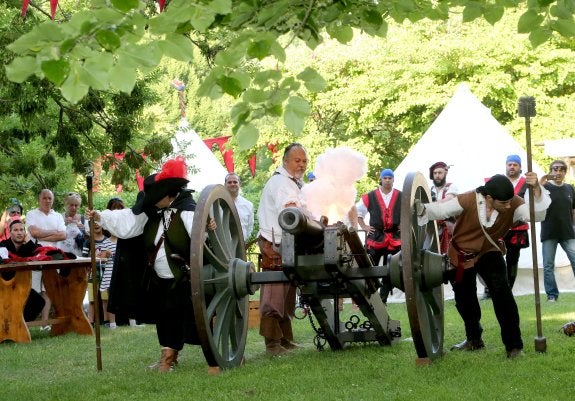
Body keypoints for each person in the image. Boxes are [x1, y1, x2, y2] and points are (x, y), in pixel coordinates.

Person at [86, 157, 214, 372]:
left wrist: (208, 226)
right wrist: (100, 216)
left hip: (185, 277)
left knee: (187, 317)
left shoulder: (189, 211)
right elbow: (127, 222)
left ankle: (192, 358)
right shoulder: (151, 212)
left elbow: (202, 239)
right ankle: (167, 357)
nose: (152, 199)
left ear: (168, 194)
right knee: (164, 317)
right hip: (158, 276)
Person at [416, 172, 550, 358]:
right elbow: (440, 211)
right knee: (464, 299)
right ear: (489, 198)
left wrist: (535, 188)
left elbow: (538, 214)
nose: (508, 206)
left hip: (489, 251)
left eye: (510, 201)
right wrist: (418, 208)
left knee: (503, 296)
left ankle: (514, 346)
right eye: (504, 203)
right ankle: (474, 339)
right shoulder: (468, 199)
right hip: (461, 255)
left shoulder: (514, 203)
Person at [257, 142, 308, 356]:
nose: (302, 165)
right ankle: (272, 345)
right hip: (275, 246)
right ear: (285, 161)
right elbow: (289, 211)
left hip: (288, 244)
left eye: (304, 161)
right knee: (274, 296)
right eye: (297, 160)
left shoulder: (295, 183)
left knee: (287, 295)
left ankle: (285, 339)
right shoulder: (281, 183)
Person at [482, 155, 529, 300]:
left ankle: (509, 289)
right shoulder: (497, 182)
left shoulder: (526, 184)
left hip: (518, 229)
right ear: (506, 166)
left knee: (512, 260)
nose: (512, 167)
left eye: (515, 164)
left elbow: (529, 205)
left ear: (520, 167)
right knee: (492, 258)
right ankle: (489, 290)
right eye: (510, 164)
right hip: (498, 227)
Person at [356, 168, 401, 304]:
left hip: (394, 238)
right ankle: (370, 296)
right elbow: (358, 211)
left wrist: (402, 225)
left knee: (390, 269)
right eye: (385, 178)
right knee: (371, 267)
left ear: (393, 179)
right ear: (381, 179)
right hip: (376, 237)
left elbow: (408, 212)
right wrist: (364, 226)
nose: (387, 180)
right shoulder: (370, 196)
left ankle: (383, 299)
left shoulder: (400, 195)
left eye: (390, 178)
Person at [26, 189, 66, 331]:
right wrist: (53, 232)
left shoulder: (58, 216)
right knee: (34, 289)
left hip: (54, 256)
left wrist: (41, 235)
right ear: (39, 199)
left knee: (48, 289)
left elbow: (63, 235)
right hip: (36, 256)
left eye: (50, 198)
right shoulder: (31, 214)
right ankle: (27, 322)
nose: (47, 201)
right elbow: (34, 233)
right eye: (44, 198)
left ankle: (44, 323)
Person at [540, 160, 575, 302]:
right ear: (551, 171)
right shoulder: (544, 187)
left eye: (561, 170)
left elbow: (573, 211)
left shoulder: (570, 188)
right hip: (549, 232)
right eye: (555, 169)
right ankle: (551, 296)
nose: (558, 172)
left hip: (568, 232)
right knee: (548, 265)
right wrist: (541, 182)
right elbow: (532, 196)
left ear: (565, 173)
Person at [0, 219, 45, 321]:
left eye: (21, 230)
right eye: (15, 230)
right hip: (4, 286)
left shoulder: (29, 246)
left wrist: (29, 242)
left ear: (25, 232)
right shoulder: (3, 245)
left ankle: (19, 324)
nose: (19, 232)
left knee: (38, 301)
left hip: (21, 286)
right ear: (10, 232)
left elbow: (40, 253)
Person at [82, 220, 117, 328]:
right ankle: (91, 322)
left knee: (106, 298)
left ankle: (107, 321)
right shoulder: (88, 242)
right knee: (92, 299)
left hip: (106, 271)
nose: (96, 224)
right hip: (93, 272)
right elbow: (83, 258)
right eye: (93, 222)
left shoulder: (108, 240)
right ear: (89, 226)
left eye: (98, 222)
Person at [429, 161, 458, 254]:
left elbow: (449, 199)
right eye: (435, 173)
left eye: (440, 173)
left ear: (445, 173)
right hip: (432, 228)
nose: (437, 175)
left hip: (448, 227)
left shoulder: (451, 187)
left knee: (449, 256)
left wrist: (431, 205)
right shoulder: (430, 190)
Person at [224, 173, 254, 241]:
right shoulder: (217, 204)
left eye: (235, 182)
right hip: (221, 246)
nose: (232, 184)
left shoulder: (248, 205)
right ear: (225, 185)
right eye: (229, 182)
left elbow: (249, 227)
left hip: (240, 246)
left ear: (239, 184)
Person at [58, 192, 86, 256]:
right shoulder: (59, 217)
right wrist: (64, 224)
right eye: (71, 205)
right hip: (62, 254)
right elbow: (54, 234)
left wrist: (82, 231)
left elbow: (88, 239)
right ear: (66, 205)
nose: (74, 207)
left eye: (76, 205)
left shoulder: (83, 219)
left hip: (78, 255)